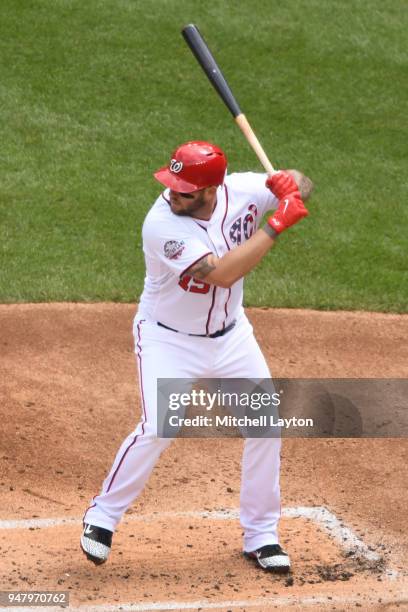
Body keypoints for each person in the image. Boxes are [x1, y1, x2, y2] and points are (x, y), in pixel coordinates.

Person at [81, 141, 313, 573]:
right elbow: (222, 275)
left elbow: (302, 182)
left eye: (186, 190)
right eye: (172, 186)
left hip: (231, 338)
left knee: (265, 425)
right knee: (159, 427)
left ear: (213, 189)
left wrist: (291, 184)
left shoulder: (242, 190)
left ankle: (261, 536)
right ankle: (102, 516)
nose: (174, 194)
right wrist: (276, 225)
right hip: (169, 339)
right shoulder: (162, 224)